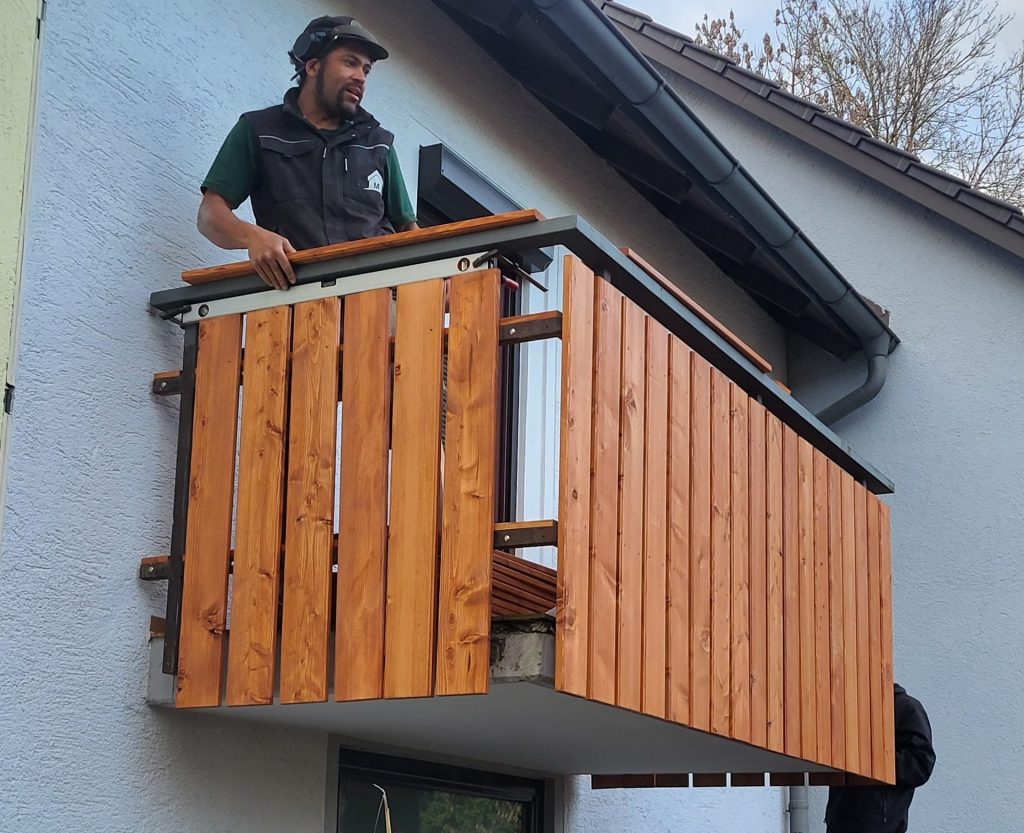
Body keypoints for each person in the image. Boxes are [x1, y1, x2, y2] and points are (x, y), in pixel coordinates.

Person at [197, 15, 418, 289]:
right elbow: (210, 214)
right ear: (313, 67)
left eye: (366, 70)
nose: (360, 77)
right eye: (350, 62)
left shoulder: (379, 143)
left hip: (381, 306)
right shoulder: (259, 130)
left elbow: (409, 231)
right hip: (296, 308)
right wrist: (253, 237)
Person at [825, 682, 936, 833]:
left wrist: (874, 761)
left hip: (880, 823)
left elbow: (921, 763)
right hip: (841, 820)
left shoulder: (905, 708)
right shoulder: (848, 707)